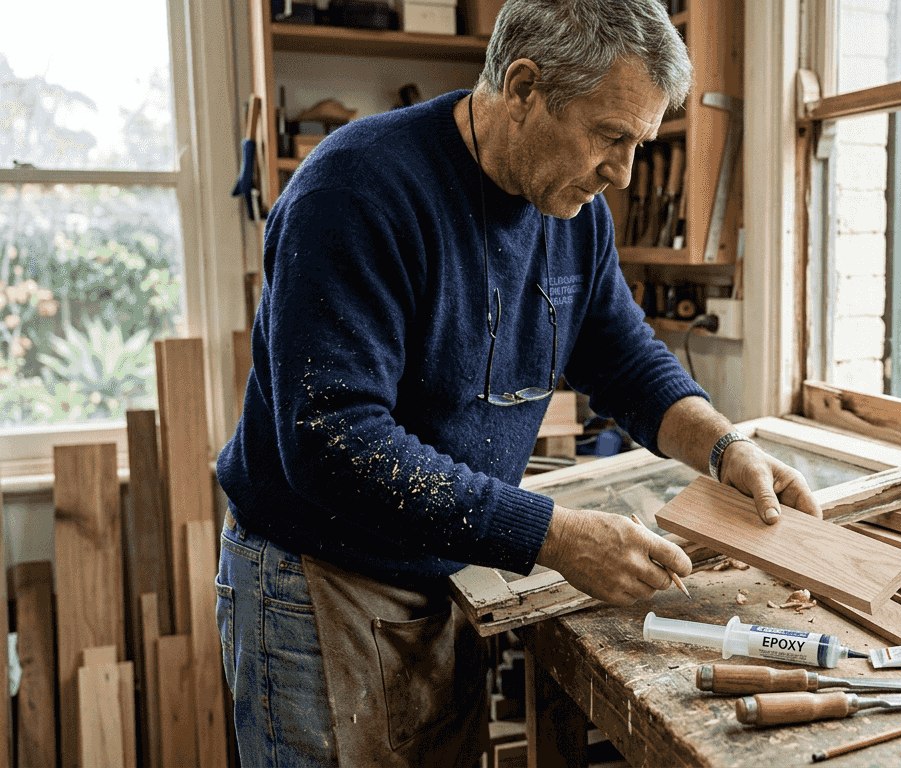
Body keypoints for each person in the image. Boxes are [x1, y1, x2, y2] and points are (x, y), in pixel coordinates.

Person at [214, 1, 822, 765]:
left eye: (640, 144)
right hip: (320, 585)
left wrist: (724, 447)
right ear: (524, 86)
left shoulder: (572, 210)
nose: (623, 173)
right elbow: (336, 442)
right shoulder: (356, 191)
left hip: (443, 571)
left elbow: (622, 355)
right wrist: (554, 536)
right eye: (610, 136)